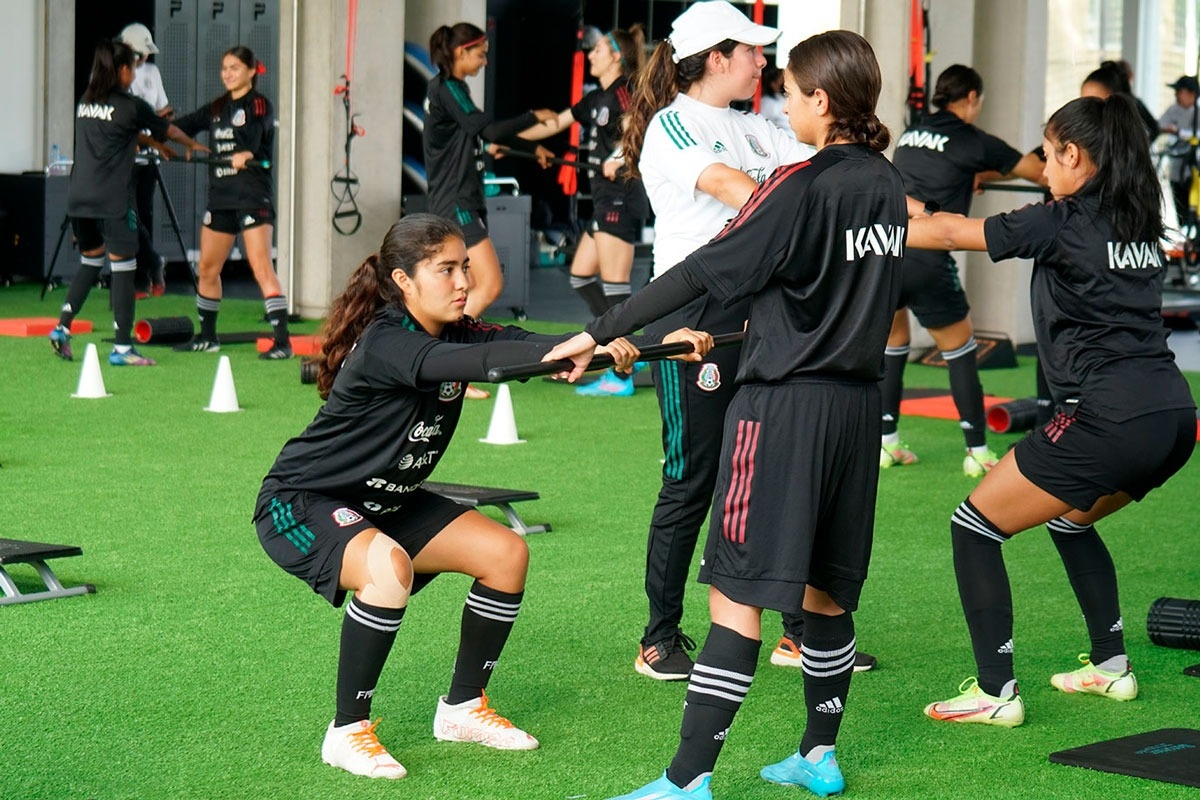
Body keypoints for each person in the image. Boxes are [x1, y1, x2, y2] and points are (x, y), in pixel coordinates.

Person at [546, 29, 907, 799]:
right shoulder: (883, 184)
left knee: (735, 597)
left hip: (781, 412)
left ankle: (685, 781)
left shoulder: (797, 183)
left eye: (790, 91)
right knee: (825, 595)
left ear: (819, 100)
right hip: (854, 411)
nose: (781, 102)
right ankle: (818, 755)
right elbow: (824, 294)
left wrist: (600, 329)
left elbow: (702, 267)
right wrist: (736, 328)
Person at [254, 213, 706, 779]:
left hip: (386, 501)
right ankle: (347, 730)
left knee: (505, 554)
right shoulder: (388, 343)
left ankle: (464, 707)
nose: (463, 281)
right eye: (445, 270)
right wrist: (569, 357)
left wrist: (648, 343)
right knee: (386, 568)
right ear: (404, 282)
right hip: (302, 501)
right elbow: (488, 365)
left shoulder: (460, 329)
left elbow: (532, 342)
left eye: (464, 267)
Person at [909, 94, 1195, 729]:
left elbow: (952, 233)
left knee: (974, 526)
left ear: (1074, 155)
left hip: (1105, 419)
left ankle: (995, 691)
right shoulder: (1138, 219)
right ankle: (1111, 664)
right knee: (1070, 519)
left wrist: (868, 208)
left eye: (1046, 152)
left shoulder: (1061, 219)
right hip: (1174, 417)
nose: (1040, 164)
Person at [619, 0, 875, 681]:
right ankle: (659, 636)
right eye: (753, 51)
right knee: (693, 478)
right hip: (688, 312)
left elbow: (832, 175)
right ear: (716, 57)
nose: (765, 62)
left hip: (761, 313)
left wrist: (905, 206)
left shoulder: (762, 127)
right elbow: (743, 195)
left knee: (777, 473)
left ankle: (795, 631)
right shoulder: (673, 126)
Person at [882, 65, 1044, 476]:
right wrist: (986, 168)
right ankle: (977, 452)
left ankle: (886, 444)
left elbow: (936, 170)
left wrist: (975, 173)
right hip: (928, 257)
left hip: (886, 251)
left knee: (893, 343)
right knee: (960, 351)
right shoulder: (973, 140)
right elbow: (1039, 172)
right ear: (971, 98)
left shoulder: (913, 132)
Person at [48, 39, 204, 366]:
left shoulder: (86, 102)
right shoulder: (132, 106)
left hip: (78, 198)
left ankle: (61, 328)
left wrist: (152, 145)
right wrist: (192, 144)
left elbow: (121, 131)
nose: (135, 73)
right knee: (123, 266)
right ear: (122, 69)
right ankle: (122, 348)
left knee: (91, 261)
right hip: (113, 200)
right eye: (133, 67)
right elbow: (170, 130)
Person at [520, 24, 651, 397]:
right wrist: (506, 137)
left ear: (614, 55)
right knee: (580, 275)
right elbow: (556, 123)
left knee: (615, 288)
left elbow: (639, 132)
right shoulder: (595, 100)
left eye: (596, 50)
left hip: (621, 200)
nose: (590, 54)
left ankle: (621, 371)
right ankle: (620, 344)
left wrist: (619, 157)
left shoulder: (625, 93)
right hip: (602, 202)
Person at [423, 22, 555, 321]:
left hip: (459, 200)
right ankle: (450, 355)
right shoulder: (449, 88)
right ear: (461, 51)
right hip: (458, 203)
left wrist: (533, 150)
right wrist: (532, 117)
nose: (485, 62)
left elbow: (481, 134)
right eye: (480, 55)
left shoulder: (450, 89)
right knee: (490, 285)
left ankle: (452, 354)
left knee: (467, 287)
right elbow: (492, 131)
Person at [171, 46, 291, 359]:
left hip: (252, 196)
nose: (227, 74)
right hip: (221, 198)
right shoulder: (217, 107)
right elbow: (183, 125)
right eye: (224, 68)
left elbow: (256, 133)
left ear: (252, 71)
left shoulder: (260, 104)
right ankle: (208, 337)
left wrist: (247, 153)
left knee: (261, 267)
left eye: (234, 68)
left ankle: (282, 343)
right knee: (208, 268)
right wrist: (160, 136)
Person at [117, 22, 173, 299]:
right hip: (124, 157)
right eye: (140, 53)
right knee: (129, 216)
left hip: (148, 155)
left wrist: (162, 132)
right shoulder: (114, 74)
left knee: (145, 213)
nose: (145, 58)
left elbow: (164, 110)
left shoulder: (153, 72)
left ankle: (145, 278)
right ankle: (150, 265)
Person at [1158, 75, 1199, 225]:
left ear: (1191, 93)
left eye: (1179, 91)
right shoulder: (1173, 109)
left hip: (1194, 169)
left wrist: (1179, 131)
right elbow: (1159, 124)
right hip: (1176, 167)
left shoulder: (1197, 112)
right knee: (1180, 206)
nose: (1176, 95)